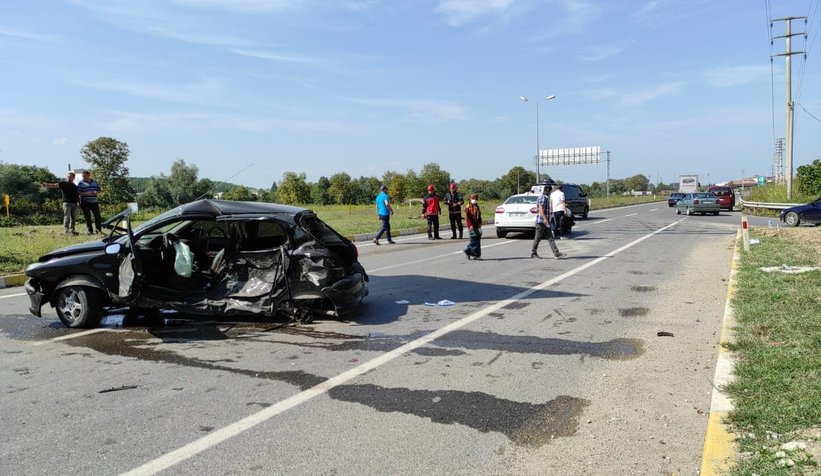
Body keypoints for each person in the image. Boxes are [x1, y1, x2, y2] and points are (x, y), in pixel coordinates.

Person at [531, 181, 566, 259]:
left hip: (546, 221)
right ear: (550, 191)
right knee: (538, 238)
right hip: (541, 222)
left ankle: (556, 253)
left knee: (550, 238)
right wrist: (545, 219)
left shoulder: (546, 198)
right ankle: (533, 253)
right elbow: (541, 209)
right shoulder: (542, 197)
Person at [42, 171, 79, 235]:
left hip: (74, 204)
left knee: (73, 218)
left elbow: (77, 195)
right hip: (67, 203)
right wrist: (47, 185)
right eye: (67, 176)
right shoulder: (63, 183)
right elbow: (54, 185)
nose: (68, 177)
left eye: (70, 176)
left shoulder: (75, 186)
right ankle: (66, 231)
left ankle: (72, 230)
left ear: (73, 178)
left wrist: (79, 202)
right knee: (67, 217)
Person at [77, 170, 103, 235]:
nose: (84, 177)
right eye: (83, 176)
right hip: (85, 202)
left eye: (85, 176)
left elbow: (99, 189)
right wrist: (86, 193)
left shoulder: (95, 182)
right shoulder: (80, 183)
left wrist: (97, 192)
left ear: (89, 175)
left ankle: (98, 230)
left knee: (97, 216)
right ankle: (90, 231)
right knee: (87, 217)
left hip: (94, 202)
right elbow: (78, 192)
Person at [463, 193, 482, 260]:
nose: (475, 200)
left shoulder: (477, 206)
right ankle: (467, 251)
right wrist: (470, 225)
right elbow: (467, 218)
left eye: (476, 199)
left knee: (478, 240)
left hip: (477, 226)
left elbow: (479, 216)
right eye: (473, 198)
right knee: (473, 241)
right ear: (470, 199)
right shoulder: (468, 207)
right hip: (471, 227)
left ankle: (477, 255)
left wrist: (480, 222)